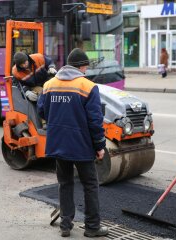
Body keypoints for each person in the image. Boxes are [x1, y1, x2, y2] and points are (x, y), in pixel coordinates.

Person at [37, 48, 109, 238]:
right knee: (90, 184)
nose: (86, 70)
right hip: (81, 146)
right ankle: (92, 227)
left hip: (58, 143)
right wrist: (100, 146)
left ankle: (66, 226)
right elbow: (95, 121)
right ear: (81, 66)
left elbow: (42, 111)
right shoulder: (88, 86)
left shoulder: (49, 85)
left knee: (65, 184)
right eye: (85, 66)